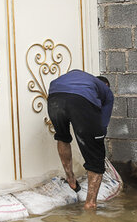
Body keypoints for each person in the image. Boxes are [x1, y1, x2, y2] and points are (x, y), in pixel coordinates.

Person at [47, 69, 114, 210]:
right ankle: (90, 204)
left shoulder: (84, 79)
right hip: (80, 100)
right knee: (96, 157)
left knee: (62, 137)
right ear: (106, 86)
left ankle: (71, 179)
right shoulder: (106, 92)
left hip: (54, 96)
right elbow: (102, 126)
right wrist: (96, 139)